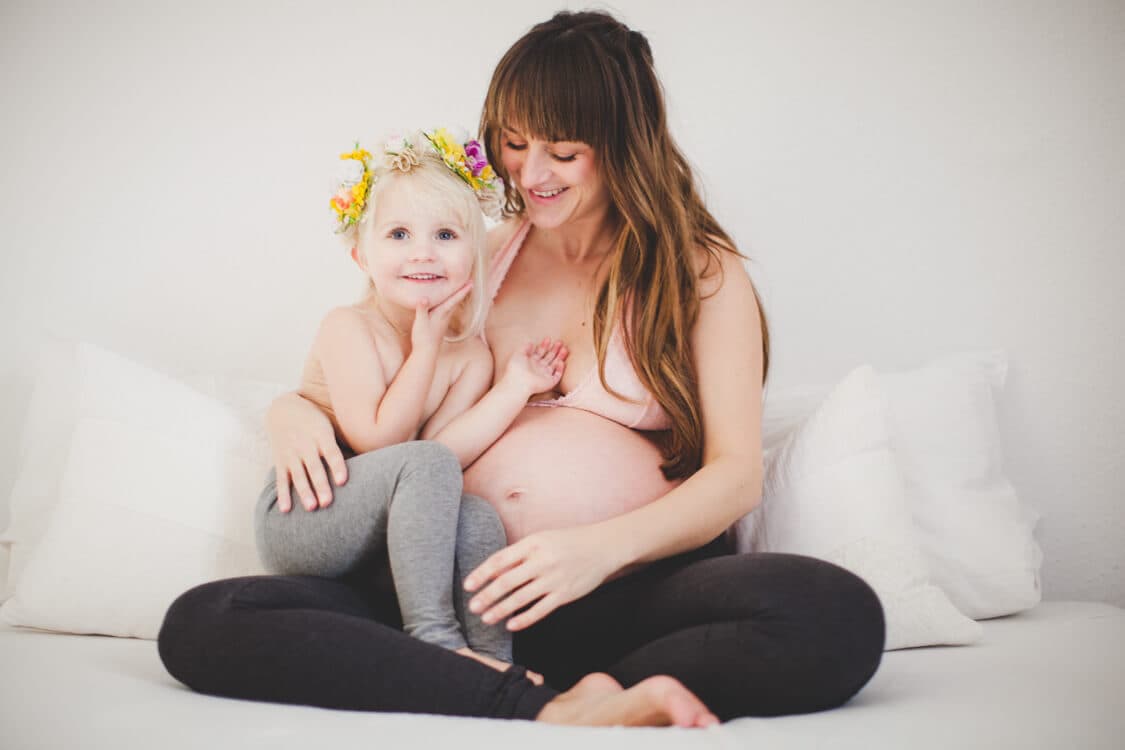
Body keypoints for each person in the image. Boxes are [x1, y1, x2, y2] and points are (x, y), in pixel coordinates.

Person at [158, 10, 885, 728]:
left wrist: (592, 553)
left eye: (562, 152)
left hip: (625, 595)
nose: (529, 173)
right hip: (444, 596)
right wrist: (293, 412)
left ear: (622, 143)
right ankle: (546, 704)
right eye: (512, 143)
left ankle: (563, 689)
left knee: (833, 613)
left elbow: (734, 476)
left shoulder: (697, 272)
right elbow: (368, 360)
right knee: (207, 620)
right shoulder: (472, 253)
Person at [253, 129, 565, 681]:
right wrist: (423, 350)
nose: (423, 251)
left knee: (476, 515)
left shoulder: (469, 354)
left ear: (476, 256)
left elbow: (446, 454)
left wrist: (514, 387)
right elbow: (381, 441)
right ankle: (435, 640)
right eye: (398, 234)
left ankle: (493, 664)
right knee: (424, 465)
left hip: (379, 533)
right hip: (306, 514)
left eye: (446, 234)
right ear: (361, 256)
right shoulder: (349, 328)